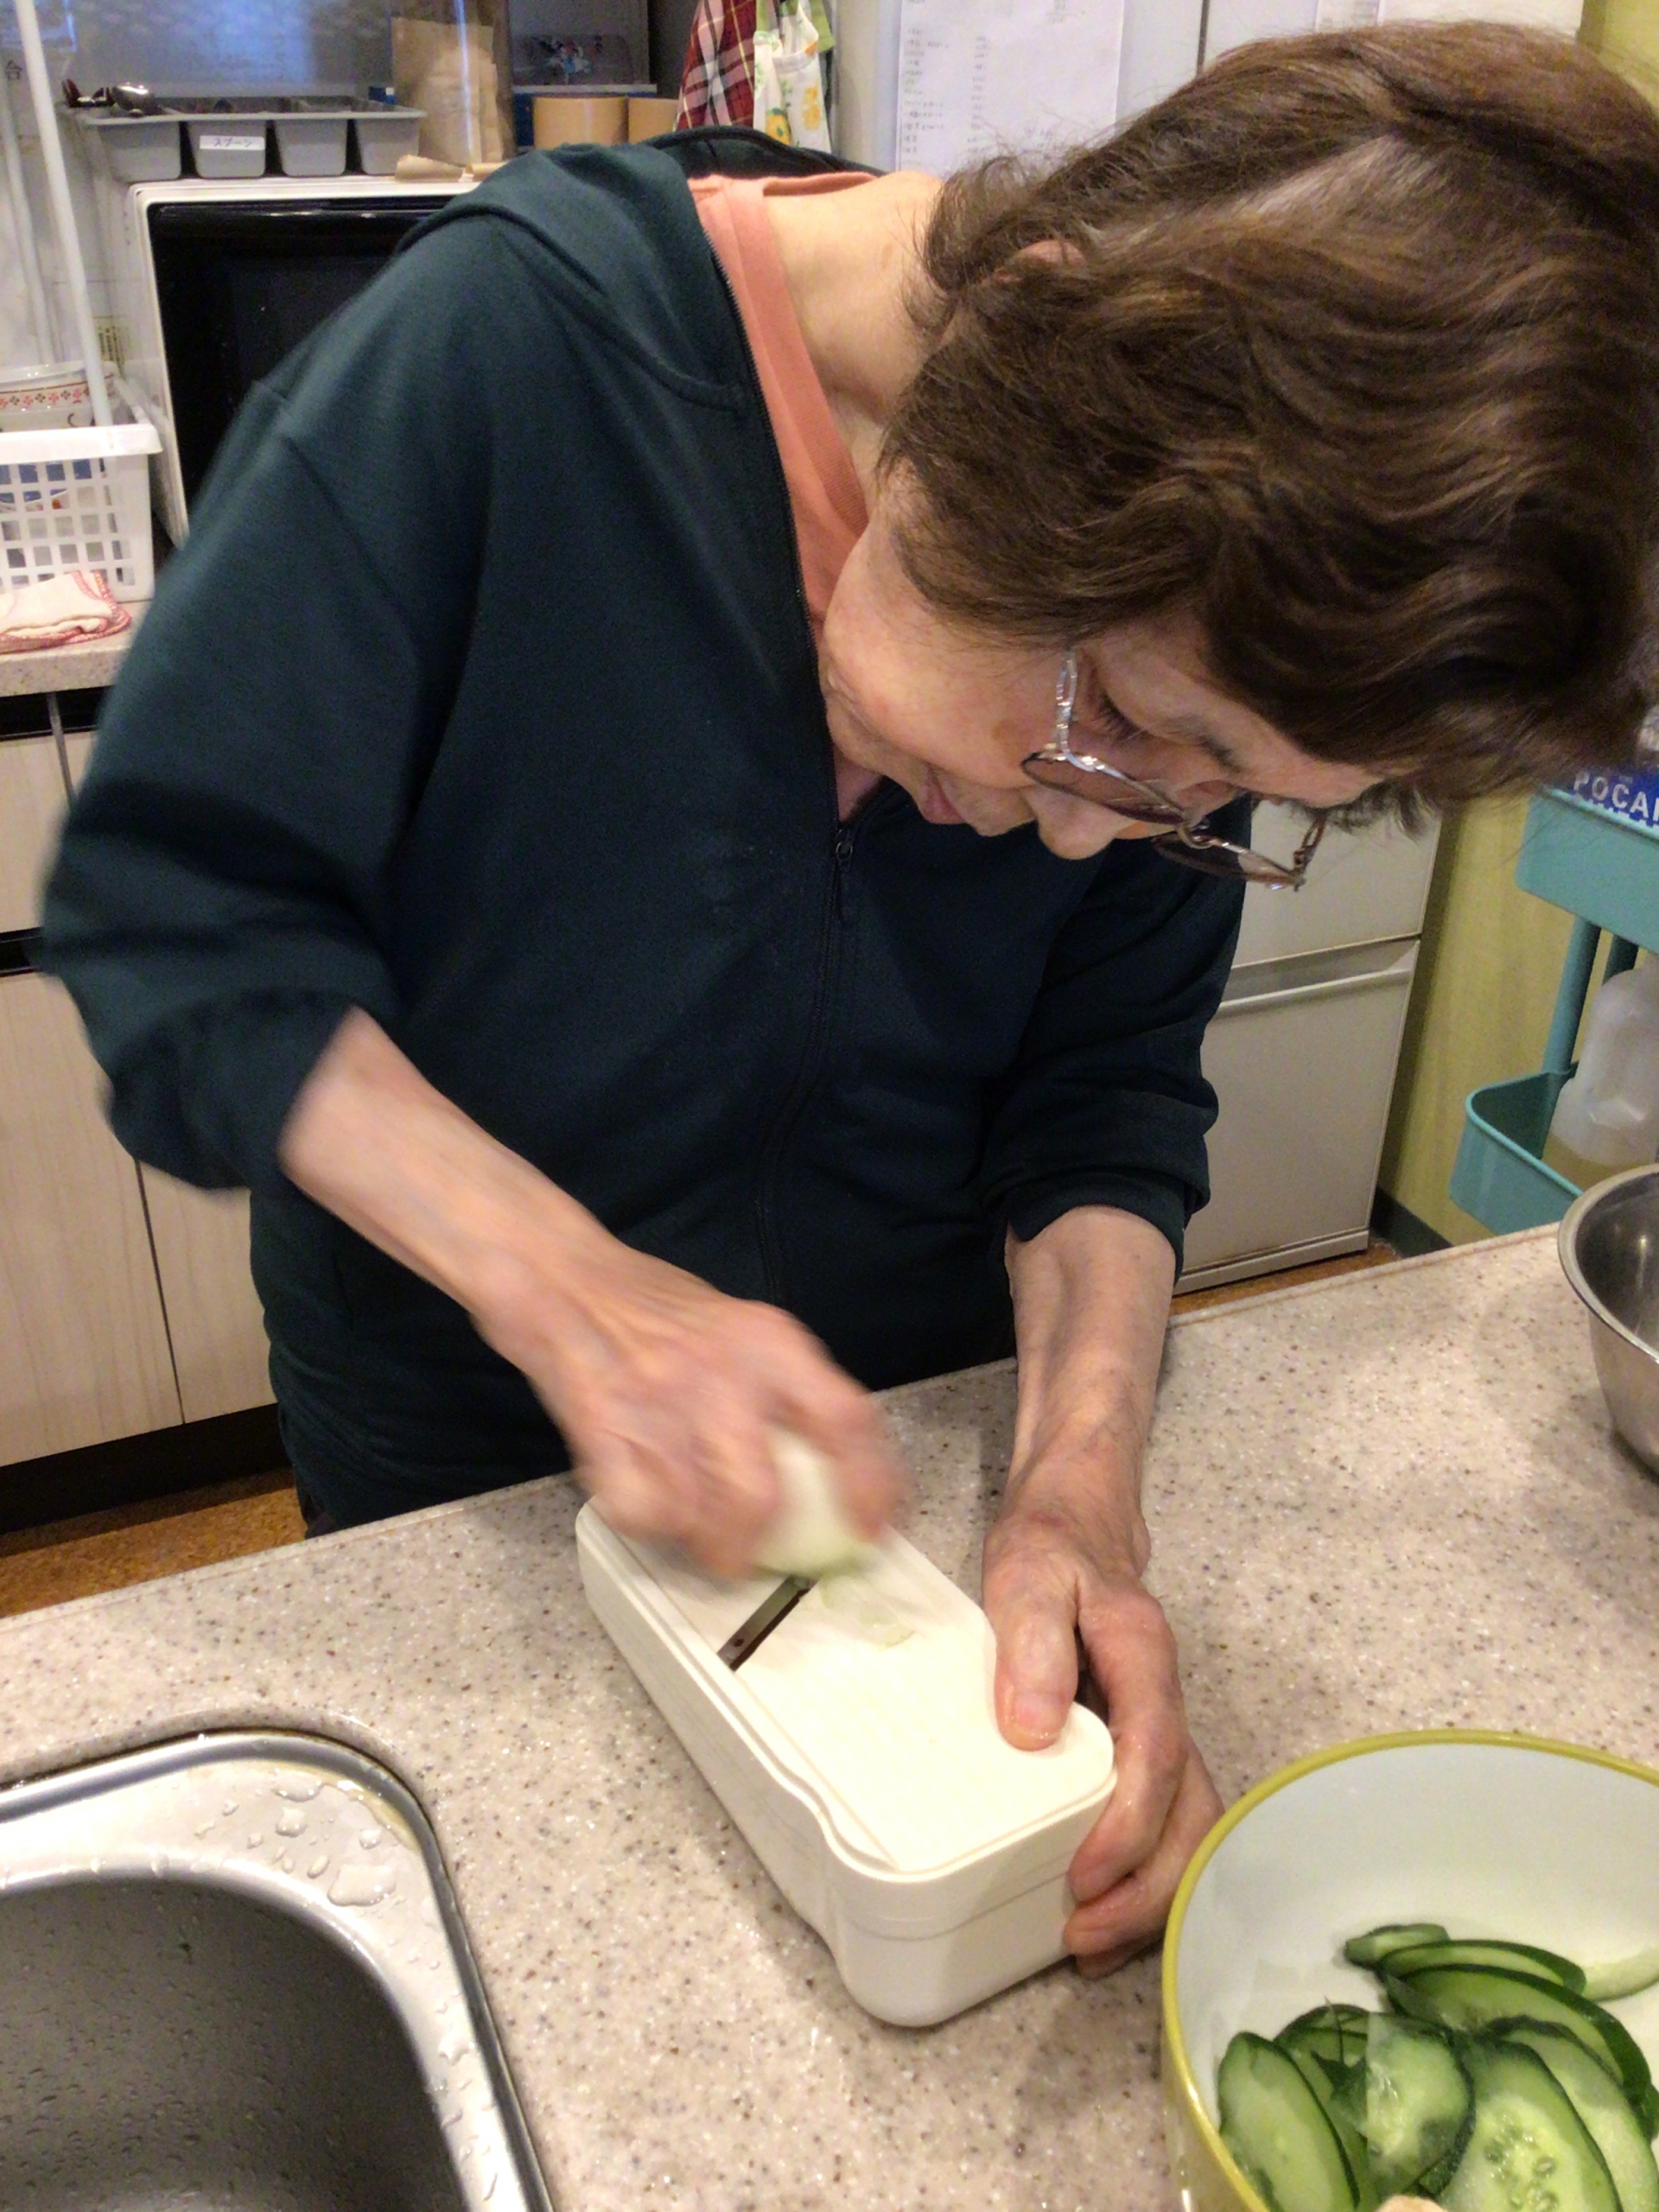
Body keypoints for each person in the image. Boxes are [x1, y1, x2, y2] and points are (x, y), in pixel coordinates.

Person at [42, 23, 1659, 1974]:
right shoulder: (507, 355)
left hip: (903, 1470)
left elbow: (1105, 1091)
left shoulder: (1196, 658)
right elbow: (175, 918)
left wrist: (1074, 1491)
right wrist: (573, 1289)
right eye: (1127, 712)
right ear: (1015, 376)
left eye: (1226, 791)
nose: (1103, 830)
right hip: (462, 1460)